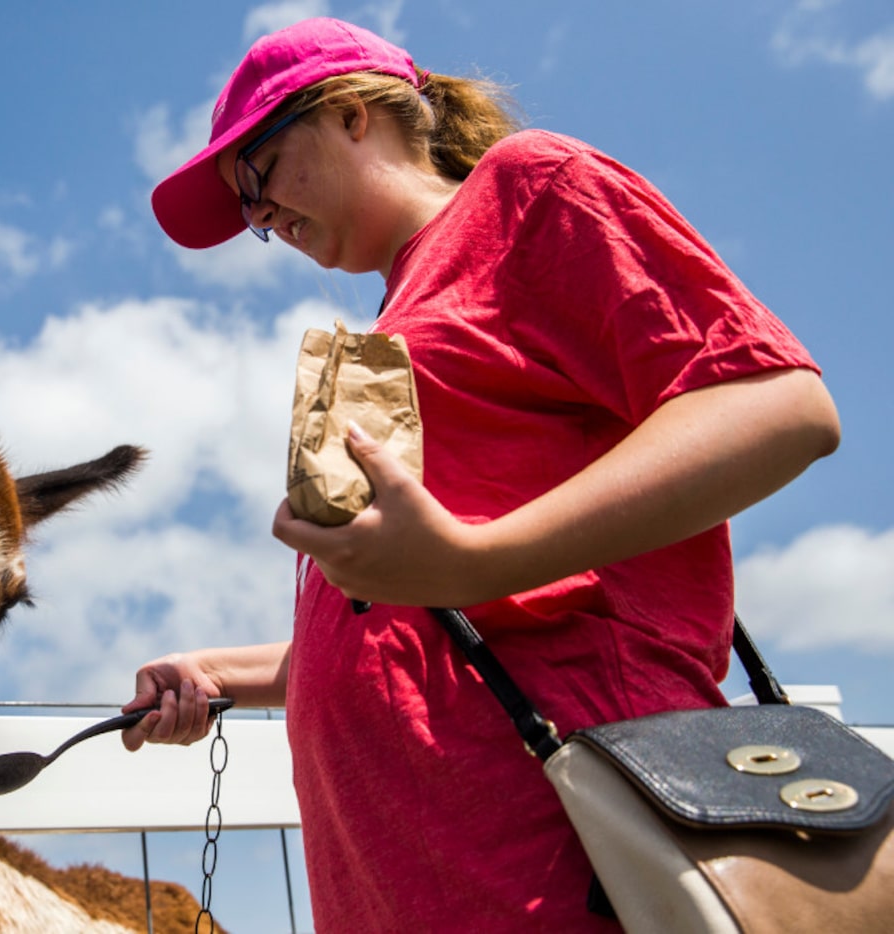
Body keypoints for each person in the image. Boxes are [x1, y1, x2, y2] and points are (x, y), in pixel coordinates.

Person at [121, 16, 841, 932]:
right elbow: (433, 625)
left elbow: (780, 406)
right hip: (413, 888)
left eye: (256, 178)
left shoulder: (531, 188)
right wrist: (223, 671)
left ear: (349, 114)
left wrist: (473, 558)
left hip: (559, 864)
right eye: (246, 212)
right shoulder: (396, 314)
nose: (259, 219)